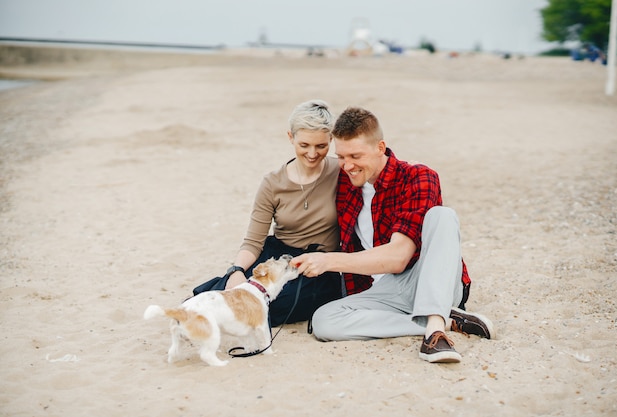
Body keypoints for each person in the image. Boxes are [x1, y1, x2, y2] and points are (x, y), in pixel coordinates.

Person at [291, 106, 494, 363]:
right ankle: (450, 321)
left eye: (355, 155)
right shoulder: (345, 180)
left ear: (380, 147)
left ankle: (434, 332)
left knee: (442, 216)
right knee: (323, 321)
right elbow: (303, 167)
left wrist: (329, 261)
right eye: (341, 156)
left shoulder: (419, 177)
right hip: (384, 291)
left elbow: (399, 257)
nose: (347, 165)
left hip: (427, 279)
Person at [192, 99, 343, 327]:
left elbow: (376, 166)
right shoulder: (272, 183)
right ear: (290, 137)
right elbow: (253, 241)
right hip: (277, 258)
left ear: (331, 140)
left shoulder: (341, 171)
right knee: (224, 293)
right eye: (304, 145)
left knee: (271, 306)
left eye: (321, 146)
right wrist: (236, 270)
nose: (312, 153)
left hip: (318, 265)